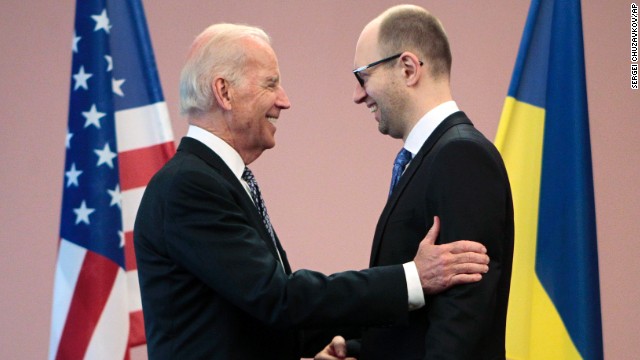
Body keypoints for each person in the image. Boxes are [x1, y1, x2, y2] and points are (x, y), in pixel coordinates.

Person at [133, 23, 491, 360]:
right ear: (224, 92)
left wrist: (347, 346)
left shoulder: (216, 180)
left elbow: (259, 314)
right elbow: (278, 298)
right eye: (270, 84)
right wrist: (412, 278)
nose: (284, 100)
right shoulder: (189, 186)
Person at [315, 5, 514, 360]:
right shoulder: (432, 156)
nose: (358, 95)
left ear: (407, 68)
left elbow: (461, 324)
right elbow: (422, 322)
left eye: (363, 76)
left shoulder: (461, 157)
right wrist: (362, 350)